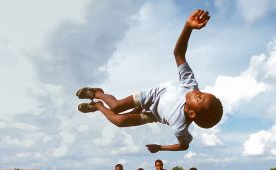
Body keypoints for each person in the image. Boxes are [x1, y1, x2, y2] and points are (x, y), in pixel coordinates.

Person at [75, 9, 223, 153]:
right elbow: (179, 54)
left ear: (191, 113)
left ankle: (98, 106)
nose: (198, 92)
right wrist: (188, 27)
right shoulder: (190, 85)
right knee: (115, 107)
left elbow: (183, 146)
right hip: (151, 96)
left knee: (119, 122)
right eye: (203, 93)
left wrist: (160, 148)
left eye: (200, 97)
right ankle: (97, 93)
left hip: (152, 115)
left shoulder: (180, 128)